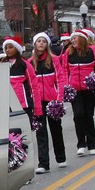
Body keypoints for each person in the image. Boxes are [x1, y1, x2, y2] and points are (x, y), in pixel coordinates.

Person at [58, 28, 95, 157]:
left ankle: (92, 144)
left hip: (89, 89)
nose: (72, 40)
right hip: (74, 90)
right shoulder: (68, 53)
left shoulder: (94, 51)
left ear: (82, 39)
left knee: (88, 115)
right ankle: (81, 144)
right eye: (72, 38)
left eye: (75, 38)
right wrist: (66, 86)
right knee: (78, 115)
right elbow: (63, 70)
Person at [2, 37, 44, 169]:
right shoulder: (1, 64)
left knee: (24, 138)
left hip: (23, 106)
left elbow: (34, 86)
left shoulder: (24, 64)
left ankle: (28, 168)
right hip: (6, 106)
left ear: (17, 49)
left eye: (11, 47)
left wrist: (37, 108)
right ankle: (16, 167)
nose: (8, 50)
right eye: (6, 48)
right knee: (11, 139)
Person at [29, 32, 66, 171]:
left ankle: (61, 157)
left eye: (44, 41)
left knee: (56, 129)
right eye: (39, 41)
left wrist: (59, 99)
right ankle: (43, 163)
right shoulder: (30, 62)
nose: (41, 43)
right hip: (38, 102)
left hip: (52, 101)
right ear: (35, 44)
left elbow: (60, 79)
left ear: (48, 44)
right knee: (41, 132)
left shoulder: (54, 60)